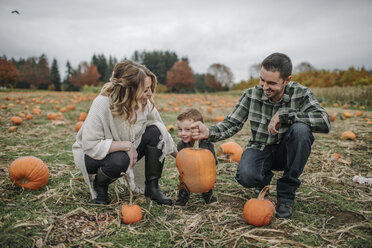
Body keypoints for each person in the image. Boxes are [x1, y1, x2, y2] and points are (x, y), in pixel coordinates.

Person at [191, 53, 330, 218]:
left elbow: (324, 121)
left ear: (287, 80)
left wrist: (285, 114)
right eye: (262, 80)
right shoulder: (251, 95)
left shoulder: (301, 94)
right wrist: (209, 131)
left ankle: (286, 194)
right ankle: (263, 179)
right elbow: (232, 123)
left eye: (271, 83)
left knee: (301, 130)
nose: (265, 87)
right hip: (260, 147)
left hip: (287, 150)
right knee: (246, 176)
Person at [72, 60, 175, 206]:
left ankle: (152, 188)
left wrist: (181, 157)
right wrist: (126, 146)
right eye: (145, 90)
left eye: (150, 88)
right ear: (130, 90)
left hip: (127, 151)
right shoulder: (102, 104)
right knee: (119, 159)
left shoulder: (145, 103)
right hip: (92, 156)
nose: (150, 93)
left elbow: (163, 133)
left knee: (156, 130)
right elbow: (90, 144)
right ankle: (100, 185)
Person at [174, 108, 218, 206]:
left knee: (206, 183)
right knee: (183, 181)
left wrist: (212, 179)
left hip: (204, 174)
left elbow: (213, 163)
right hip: (188, 174)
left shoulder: (207, 144)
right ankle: (183, 195)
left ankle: (207, 194)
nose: (183, 133)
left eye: (187, 130)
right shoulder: (181, 145)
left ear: (198, 129)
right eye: (180, 130)